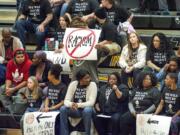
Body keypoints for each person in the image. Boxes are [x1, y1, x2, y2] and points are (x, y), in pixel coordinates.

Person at [59, 69, 97, 135]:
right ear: (80, 79)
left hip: (88, 110)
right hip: (76, 110)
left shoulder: (92, 85)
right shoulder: (73, 84)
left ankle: (87, 133)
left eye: (89, 77)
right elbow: (66, 100)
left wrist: (78, 105)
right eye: (86, 78)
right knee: (63, 109)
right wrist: (71, 104)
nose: (89, 79)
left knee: (87, 110)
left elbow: (91, 102)